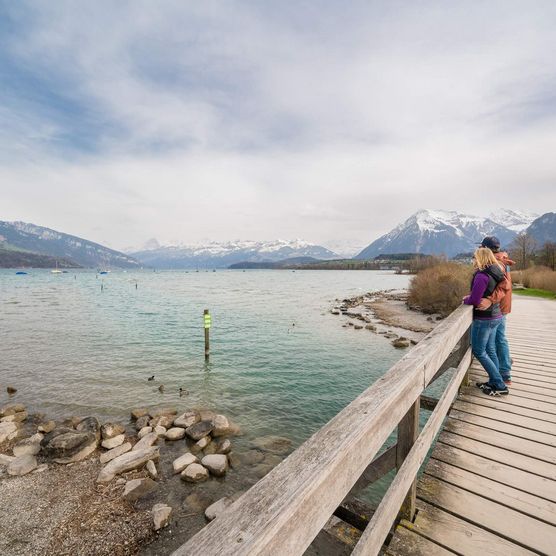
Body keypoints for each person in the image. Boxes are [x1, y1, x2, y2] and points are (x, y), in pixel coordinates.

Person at [463, 247, 508, 396]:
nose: (473, 260)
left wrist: (466, 299)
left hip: (484, 319)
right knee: (490, 350)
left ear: (480, 258)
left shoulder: (482, 275)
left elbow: (475, 299)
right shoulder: (496, 271)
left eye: (475, 257)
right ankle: (495, 381)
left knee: (479, 351)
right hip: (496, 316)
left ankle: (499, 384)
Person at [477, 236, 515, 386]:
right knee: (498, 339)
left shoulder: (497, 263)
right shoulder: (501, 259)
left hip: (497, 307)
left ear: (485, 248)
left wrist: (489, 300)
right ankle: (502, 369)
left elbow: (504, 286)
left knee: (497, 340)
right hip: (501, 306)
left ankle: (504, 374)